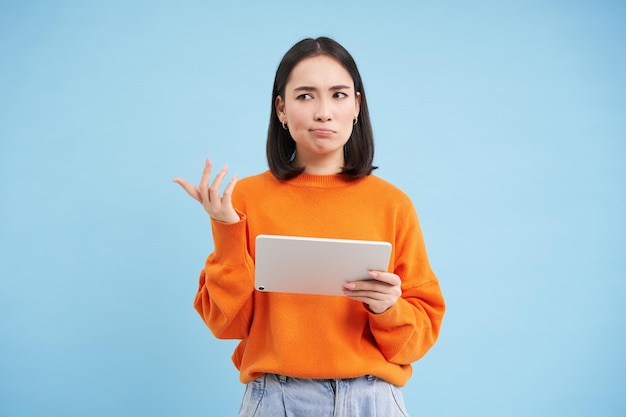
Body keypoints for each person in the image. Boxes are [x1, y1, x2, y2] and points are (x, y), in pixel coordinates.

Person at [173, 36, 445, 416]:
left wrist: (388, 310)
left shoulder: (392, 204)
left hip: (372, 400)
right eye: (305, 96)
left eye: (338, 95)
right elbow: (225, 324)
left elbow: (416, 340)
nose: (323, 112)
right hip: (275, 399)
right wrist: (227, 229)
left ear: (356, 106)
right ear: (281, 109)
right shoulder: (244, 199)